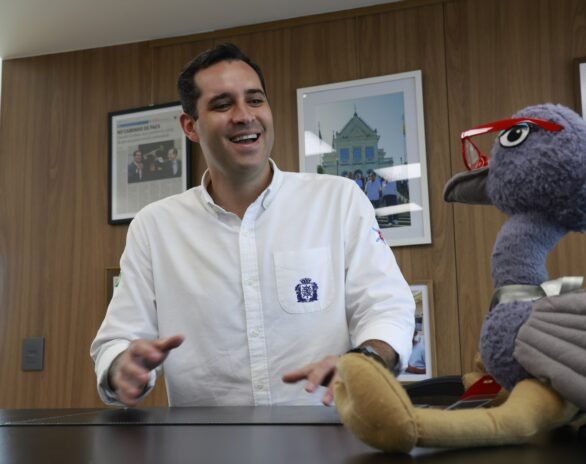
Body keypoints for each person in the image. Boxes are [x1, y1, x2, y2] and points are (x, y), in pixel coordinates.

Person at [91, 43, 414, 409]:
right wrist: (121, 367)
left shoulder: (338, 199)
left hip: (331, 432)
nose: (244, 115)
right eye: (222, 104)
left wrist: (365, 361)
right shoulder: (155, 226)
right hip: (204, 439)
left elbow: (387, 308)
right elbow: (116, 341)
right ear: (190, 126)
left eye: (255, 100)